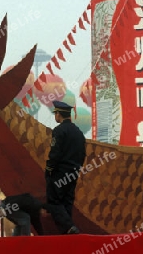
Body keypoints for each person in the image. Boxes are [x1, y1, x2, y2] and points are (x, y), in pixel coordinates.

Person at [44, 100, 86, 234]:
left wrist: (49, 169)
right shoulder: (79, 133)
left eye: (55, 113)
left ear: (59, 114)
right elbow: (82, 154)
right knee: (67, 202)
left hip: (59, 173)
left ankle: (70, 228)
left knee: (54, 202)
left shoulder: (59, 130)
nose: (55, 116)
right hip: (73, 173)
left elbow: (55, 153)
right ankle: (67, 237)